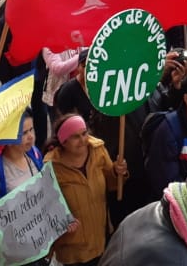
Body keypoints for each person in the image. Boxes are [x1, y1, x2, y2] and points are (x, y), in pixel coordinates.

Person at [45, 114, 127, 266]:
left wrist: (117, 172)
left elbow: (113, 184)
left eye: (84, 133)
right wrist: (61, 222)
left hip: (101, 242)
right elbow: (47, 208)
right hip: (73, 250)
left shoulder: (98, 150)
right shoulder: (51, 167)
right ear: (63, 142)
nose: (83, 140)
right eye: (75, 137)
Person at [0, 111, 43, 201]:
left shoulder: (35, 153)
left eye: (31, 129)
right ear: (9, 139)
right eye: (24, 133)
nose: (31, 136)